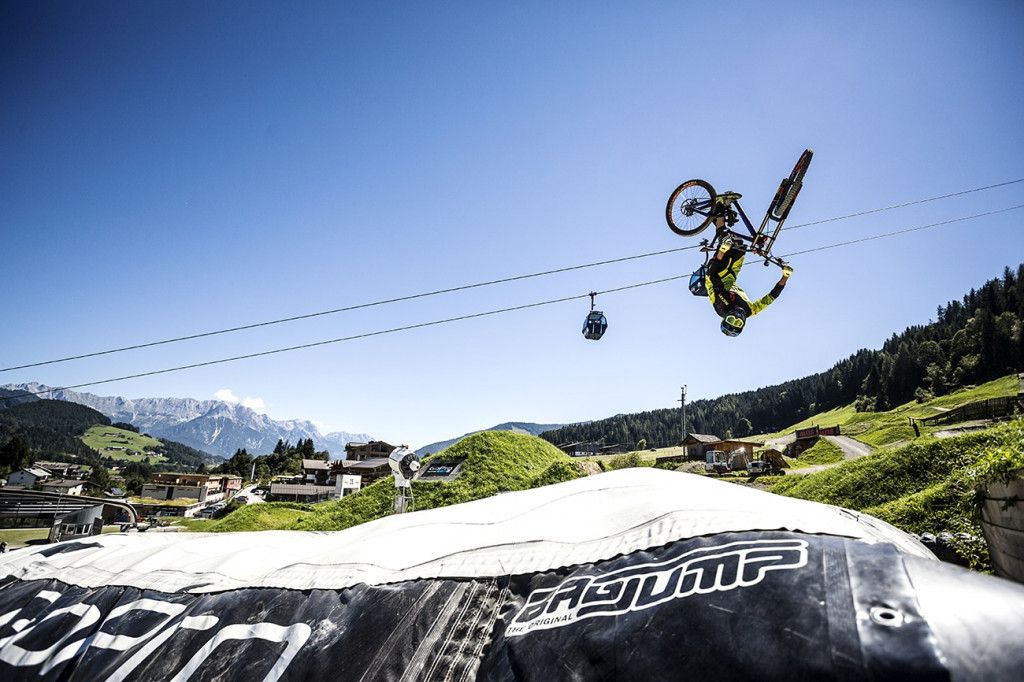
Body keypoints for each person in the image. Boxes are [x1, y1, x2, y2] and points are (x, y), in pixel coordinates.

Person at [705, 217, 792, 337]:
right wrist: (785, 276)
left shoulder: (722, 307)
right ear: (743, 324)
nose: (736, 317)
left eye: (731, 320)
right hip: (731, 278)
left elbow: (714, 278)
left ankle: (719, 211)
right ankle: (721, 216)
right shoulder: (750, 311)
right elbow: (771, 297)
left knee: (727, 246)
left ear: (725, 318)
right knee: (739, 244)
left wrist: (722, 251)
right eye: (738, 322)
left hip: (715, 276)